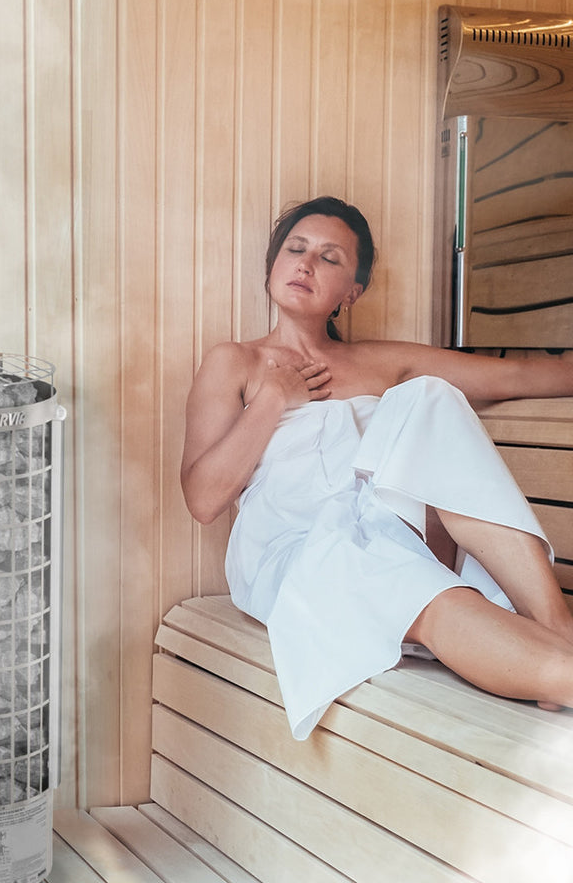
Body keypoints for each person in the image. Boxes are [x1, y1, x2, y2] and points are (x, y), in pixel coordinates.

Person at [181, 194, 573, 738]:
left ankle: (555, 624)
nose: (306, 264)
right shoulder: (235, 363)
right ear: (272, 264)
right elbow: (202, 500)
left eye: (330, 258)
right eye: (295, 249)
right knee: (396, 576)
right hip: (299, 548)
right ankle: (553, 664)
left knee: (429, 396)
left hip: (392, 528)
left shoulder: (384, 361)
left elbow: (522, 379)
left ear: (352, 291)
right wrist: (273, 399)